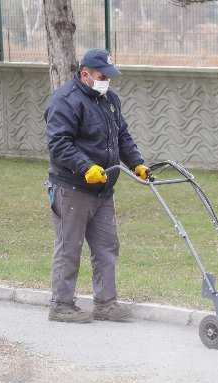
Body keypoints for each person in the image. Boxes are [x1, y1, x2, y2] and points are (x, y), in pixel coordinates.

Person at [44, 48, 149, 323]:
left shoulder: (109, 100)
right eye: (103, 76)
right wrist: (85, 167)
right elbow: (59, 144)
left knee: (107, 247)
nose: (108, 81)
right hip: (72, 189)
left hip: (103, 190)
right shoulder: (65, 101)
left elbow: (122, 136)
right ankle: (61, 305)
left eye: (110, 77)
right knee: (70, 248)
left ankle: (106, 303)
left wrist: (137, 162)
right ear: (85, 74)